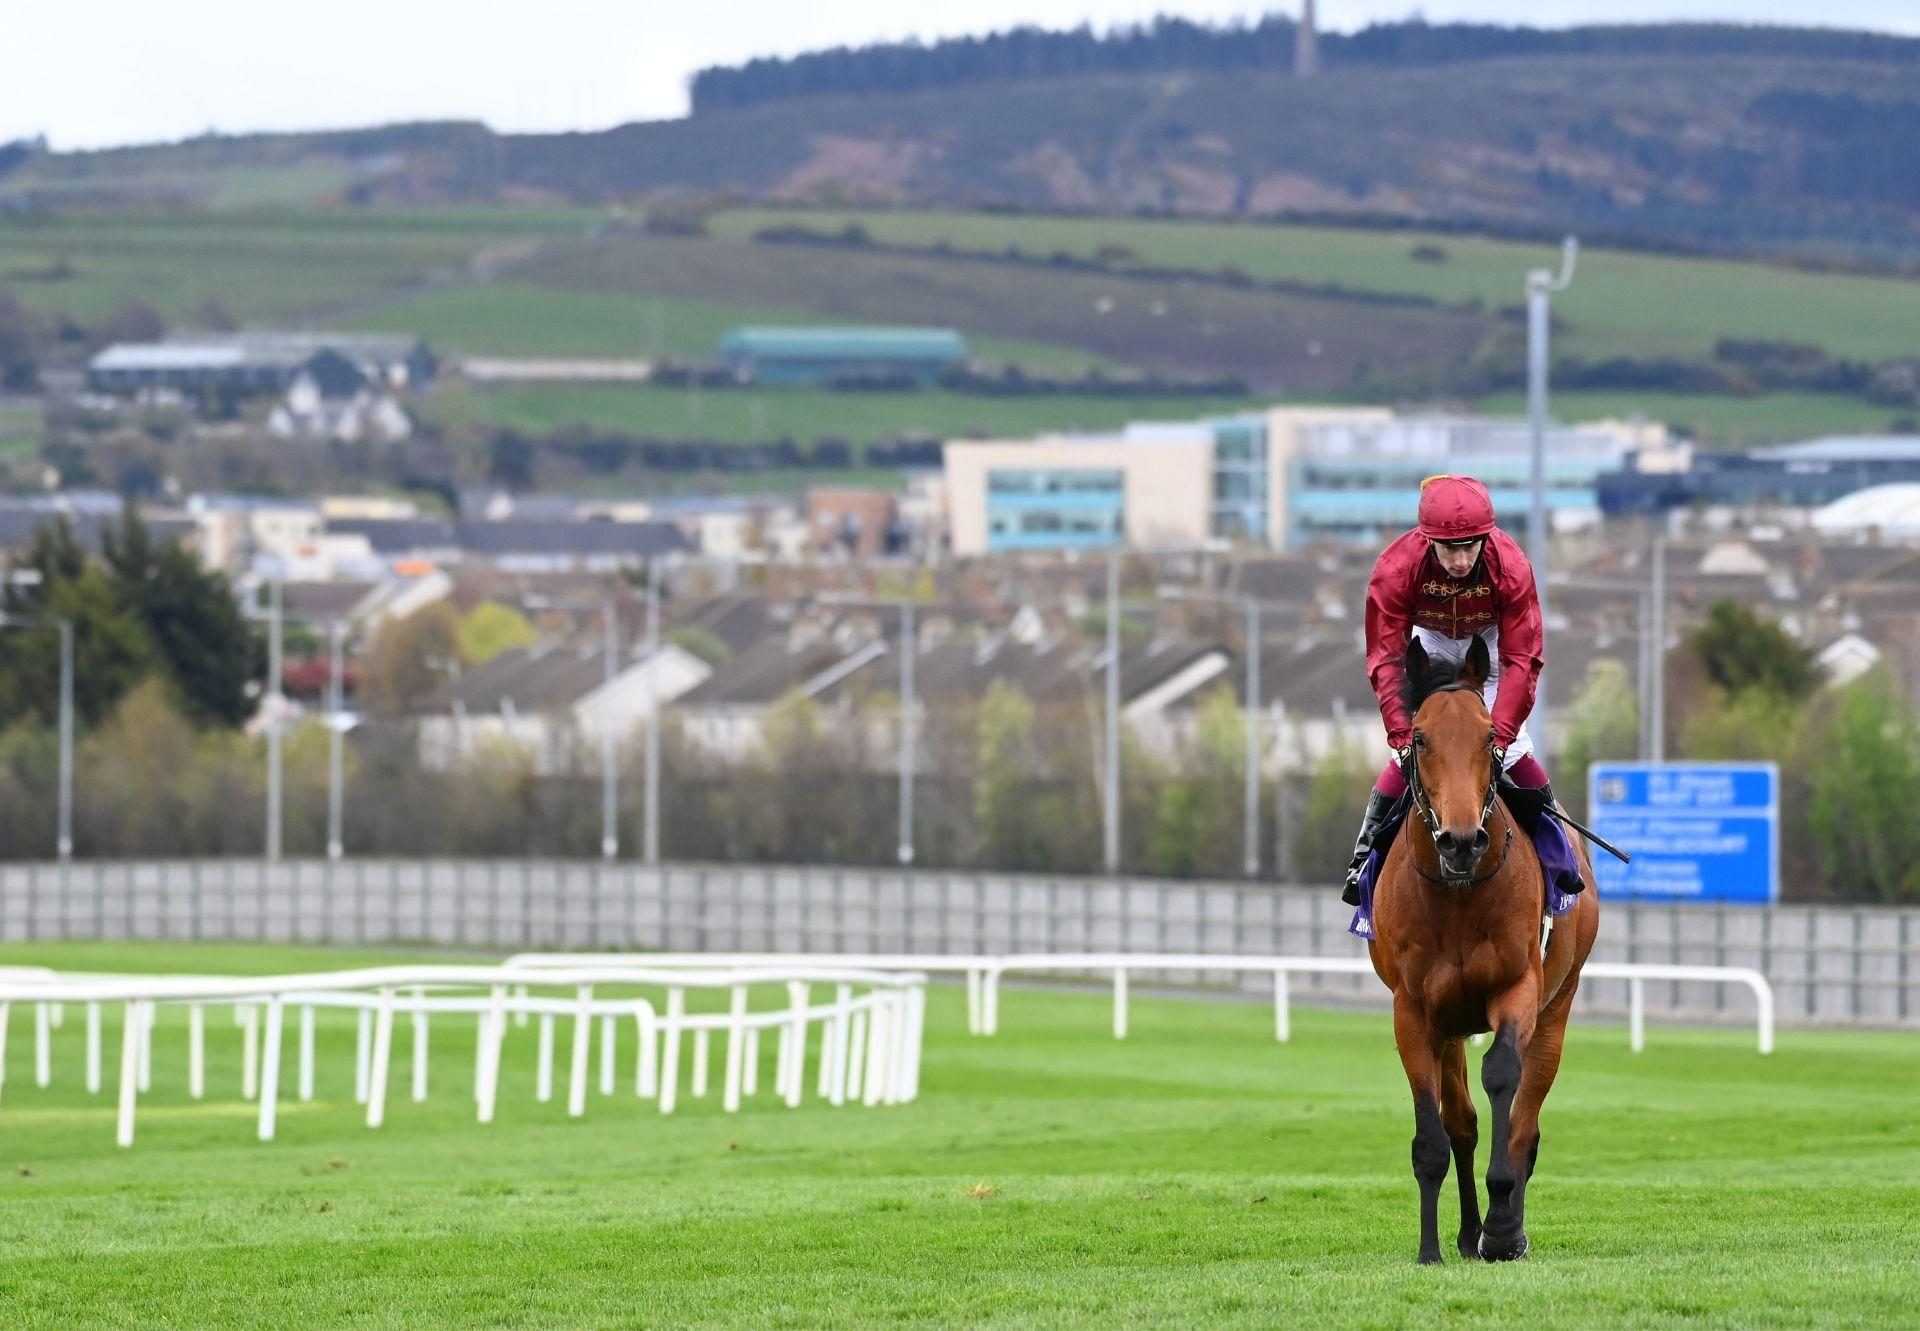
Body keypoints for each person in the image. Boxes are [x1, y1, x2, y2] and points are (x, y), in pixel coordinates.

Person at [1342, 473, 1584, 906]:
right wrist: (1401, 737)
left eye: (1471, 545)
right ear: (1427, 539)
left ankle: (1561, 853)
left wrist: (1502, 734)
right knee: (1421, 747)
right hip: (1428, 641)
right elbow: (1384, 657)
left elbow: (1523, 660)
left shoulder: (1510, 567)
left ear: (1485, 537)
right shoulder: (1397, 568)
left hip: (1489, 644)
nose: (1461, 559)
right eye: (1450, 547)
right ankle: (1363, 860)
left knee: (1509, 749)